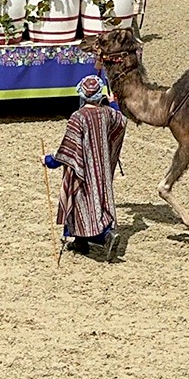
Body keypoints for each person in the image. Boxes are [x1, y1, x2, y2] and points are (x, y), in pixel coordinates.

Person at [42, 74, 126, 255]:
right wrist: (113, 104)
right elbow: (121, 121)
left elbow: (67, 149)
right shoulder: (107, 114)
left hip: (82, 172)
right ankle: (80, 243)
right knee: (96, 206)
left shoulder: (77, 117)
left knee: (81, 206)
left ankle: (106, 236)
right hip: (101, 171)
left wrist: (49, 160)